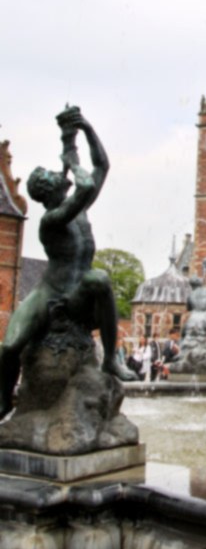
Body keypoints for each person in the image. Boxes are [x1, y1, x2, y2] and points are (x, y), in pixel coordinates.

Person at [0, 106, 134, 419]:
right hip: (51, 292)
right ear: (49, 191)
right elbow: (86, 184)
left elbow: (102, 165)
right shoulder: (53, 219)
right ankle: (5, 398)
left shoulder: (80, 210)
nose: (63, 176)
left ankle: (111, 359)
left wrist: (83, 129)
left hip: (78, 296)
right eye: (54, 175)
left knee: (99, 279)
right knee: (8, 347)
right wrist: (72, 159)